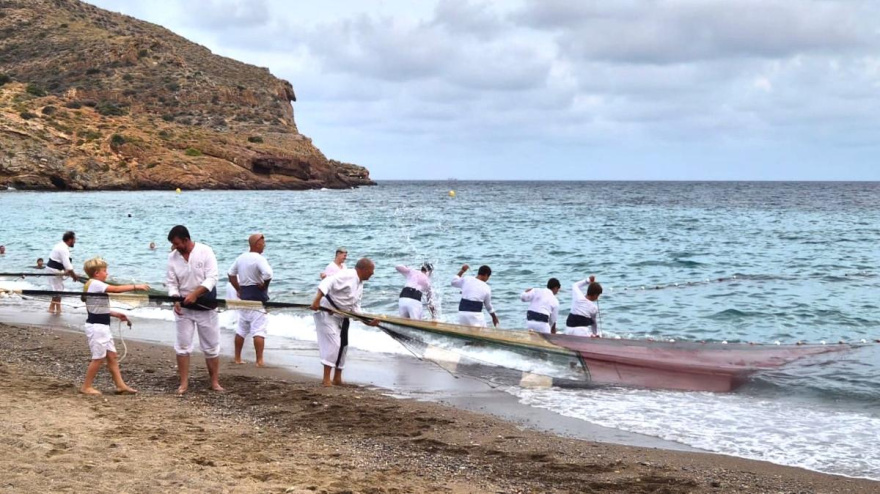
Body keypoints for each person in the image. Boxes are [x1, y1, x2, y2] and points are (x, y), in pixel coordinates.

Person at [166, 225, 223, 394]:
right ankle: (183, 383)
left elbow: (212, 278)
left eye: (177, 243)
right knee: (182, 345)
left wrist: (195, 294)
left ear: (186, 239)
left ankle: (214, 382)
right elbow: (171, 282)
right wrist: (175, 298)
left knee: (211, 346)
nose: (175, 247)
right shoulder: (172, 257)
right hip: (184, 308)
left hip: (206, 305)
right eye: (173, 244)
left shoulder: (205, 251)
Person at [79, 257, 149, 395]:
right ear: (96, 273)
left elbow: (96, 308)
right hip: (97, 327)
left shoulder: (93, 285)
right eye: (104, 271)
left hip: (102, 325)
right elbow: (115, 289)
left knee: (112, 356)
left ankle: (120, 385)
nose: (107, 273)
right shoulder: (95, 283)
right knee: (98, 358)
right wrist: (136, 286)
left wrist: (116, 314)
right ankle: (86, 386)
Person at [309, 258, 379, 387]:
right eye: (371, 270)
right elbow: (327, 282)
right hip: (326, 312)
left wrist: (367, 322)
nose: (373, 273)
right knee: (334, 344)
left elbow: (356, 308)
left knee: (343, 346)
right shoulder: (347, 275)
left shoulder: (360, 284)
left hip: (341, 315)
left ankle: (337, 378)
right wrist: (316, 300)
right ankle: (326, 379)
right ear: (363, 269)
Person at [228, 233, 273, 367]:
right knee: (259, 329)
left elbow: (231, 274)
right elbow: (268, 274)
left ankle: (237, 357)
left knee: (241, 329)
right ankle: (259, 360)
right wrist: (265, 285)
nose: (264, 245)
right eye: (263, 242)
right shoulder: (259, 259)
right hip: (256, 297)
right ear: (256, 243)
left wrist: (238, 289)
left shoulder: (241, 258)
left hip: (244, 297)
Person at [47, 231, 80, 314]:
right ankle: (53, 309)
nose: (75, 241)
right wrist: (74, 276)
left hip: (54, 268)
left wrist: (68, 272)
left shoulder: (60, 245)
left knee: (58, 290)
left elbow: (65, 265)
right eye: (74, 239)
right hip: (53, 270)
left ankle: (57, 308)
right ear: (70, 240)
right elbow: (68, 266)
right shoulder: (63, 249)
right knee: (58, 290)